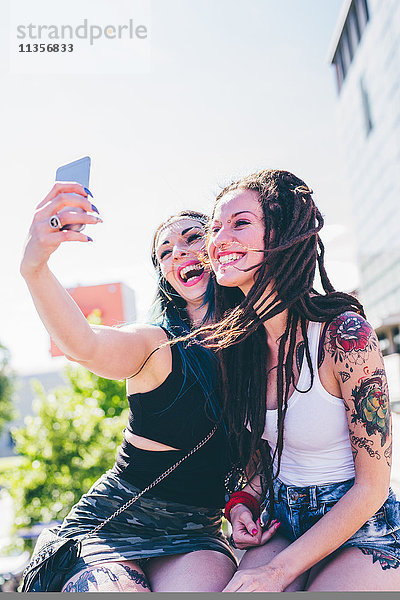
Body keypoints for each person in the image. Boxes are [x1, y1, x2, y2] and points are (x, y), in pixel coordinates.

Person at [20, 182, 249, 592]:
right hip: (112, 523)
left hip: (196, 530)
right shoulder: (156, 344)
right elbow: (84, 344)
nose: (177, 251)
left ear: (221, 248)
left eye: (192, 237)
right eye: (164, 252)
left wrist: (245, 500)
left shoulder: (261, 345)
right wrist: (35, 267)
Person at [197, 168, 400, 591]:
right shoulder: (237, 347)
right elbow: (264, 450)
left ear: (283, 232)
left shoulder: (344, 337)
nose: (218, 240)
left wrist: (276, 572)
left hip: (360, 525)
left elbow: (373, 486)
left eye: (240, 223)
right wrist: (244, 502)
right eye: (215, 227)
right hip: (282, 519)